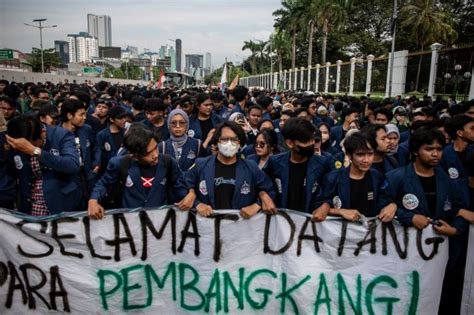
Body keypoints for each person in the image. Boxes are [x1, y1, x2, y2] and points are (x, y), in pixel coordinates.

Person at [382, 126, 470, 315]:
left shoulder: (447, 181)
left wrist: (454, 230)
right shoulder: (396, 177)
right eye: (429, 149)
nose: (435, 154)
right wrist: (409, 216)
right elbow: (380, 211)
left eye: (439, 149)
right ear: (415, 151)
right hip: (402, 258)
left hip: (437, 260)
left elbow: (458, 210)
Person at [179, 121, 276, 218]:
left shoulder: (251, 167)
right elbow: (181, 185)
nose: (229, 143)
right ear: (217, 141)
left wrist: (257, 205)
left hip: (240, 228)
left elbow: (270, 190)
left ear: (240, 143)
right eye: (224, 139)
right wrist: (196, 202)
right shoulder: (201, 164)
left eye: (234, 139)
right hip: (208, 227)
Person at [88, 124, 188, 219]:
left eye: (155, 148)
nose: (156, 155)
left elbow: (179, 185)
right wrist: (93, 200)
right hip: (129, 223)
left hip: (160, 222)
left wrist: (191, 197)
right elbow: (104, 183)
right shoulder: (119, 163)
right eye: (149, 153)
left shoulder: (168, 162)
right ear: (135, 156)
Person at [6, 115, 82, 215]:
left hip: (59, 203)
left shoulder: (62, 135)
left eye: (33, 144)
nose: (25, 150)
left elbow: (73, 164)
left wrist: (35, 151)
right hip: (28, 205)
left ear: (43, 133)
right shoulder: (15, 137)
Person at [264, 117, 331, 221]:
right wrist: (264, 197)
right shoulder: (275, 163)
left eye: (312, 140)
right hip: (281, 224)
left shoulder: (322, 164)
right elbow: (262, 185)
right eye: (305, 141)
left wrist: (326, 205)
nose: (311, 144)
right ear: (290, 143)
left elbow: (330, 191)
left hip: (310, 225)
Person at [323, 132, 396, 221]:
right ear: (349, 155)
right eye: (360, 154)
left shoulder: (377, 177)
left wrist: (392, 205)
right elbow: (318, 207)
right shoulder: (333, 178)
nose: (366, 160)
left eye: (370, 154)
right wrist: (340, 211)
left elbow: (385, 200)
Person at [60, 98, 97, 196]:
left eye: (85, 114)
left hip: (87, 177)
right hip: (68, 182)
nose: (85, 118)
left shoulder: (87, 129)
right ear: (69, 115)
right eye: (81, 114)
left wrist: (96, 164)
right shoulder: (57, 134)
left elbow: (96, 147)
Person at [93, 106, 127, 177]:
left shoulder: (126, 133)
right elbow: (98, 151)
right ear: (111, 119)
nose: (124, 120)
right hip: (107, 171)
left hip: (123, 170)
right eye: (120, 118)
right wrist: (97, 164)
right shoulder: (102, 135)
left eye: (125, 117)